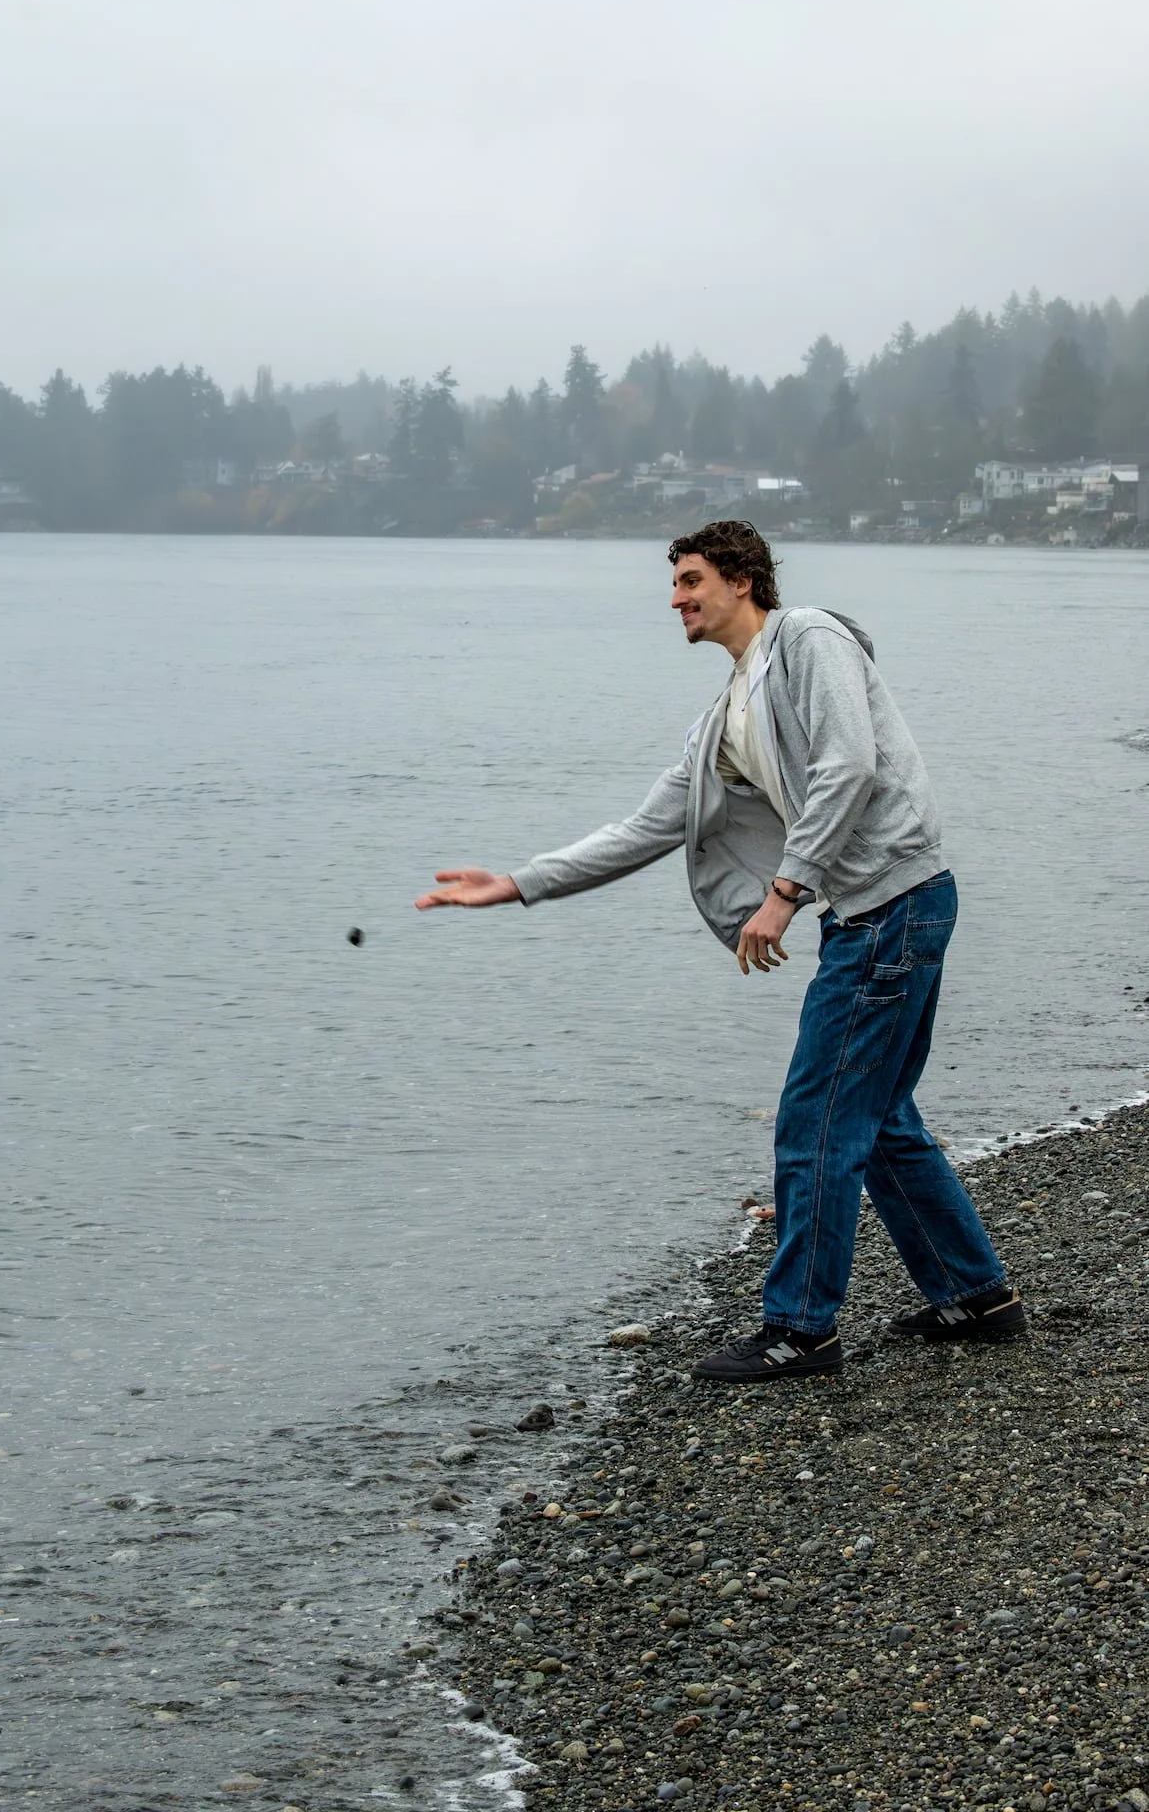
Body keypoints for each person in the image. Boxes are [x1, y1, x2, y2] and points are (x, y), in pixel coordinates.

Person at [415, 520, 1024, 1382]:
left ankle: (801, 1331)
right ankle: (976, 1296)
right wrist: (518, 883)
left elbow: (846, 767)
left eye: (689, 580)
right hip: (879, 910)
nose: (675, 599)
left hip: (893, 903)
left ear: (742, 579)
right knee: (878, 1116)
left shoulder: (809, 638)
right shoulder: (725, 712)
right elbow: (646, 828)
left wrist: (783, 894)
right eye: (673, 585)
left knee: (815, 1121)